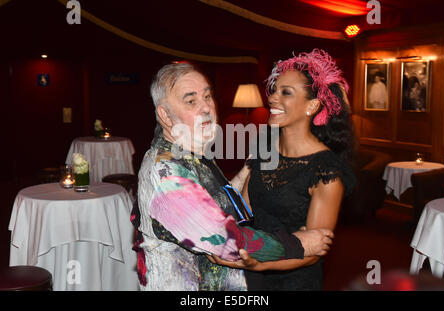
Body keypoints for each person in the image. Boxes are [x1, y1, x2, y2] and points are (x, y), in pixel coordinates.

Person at [131, 62, 335, 291]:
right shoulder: (166, 172)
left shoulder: (190, 152)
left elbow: (221, 202)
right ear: (165, 115)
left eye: (207, 96)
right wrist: (298, 244)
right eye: (191, 101)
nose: (206, 107)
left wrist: (249, 167)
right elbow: (223, 240)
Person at [209, 49, 356, 290]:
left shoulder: (325, 170)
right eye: (275, 89)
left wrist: (260, 264)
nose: (273, 98)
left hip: (292, 281)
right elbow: (244, 210)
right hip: (251, 272)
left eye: (286, 92)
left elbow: (314, 250)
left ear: (312, 106)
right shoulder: (264, 148)